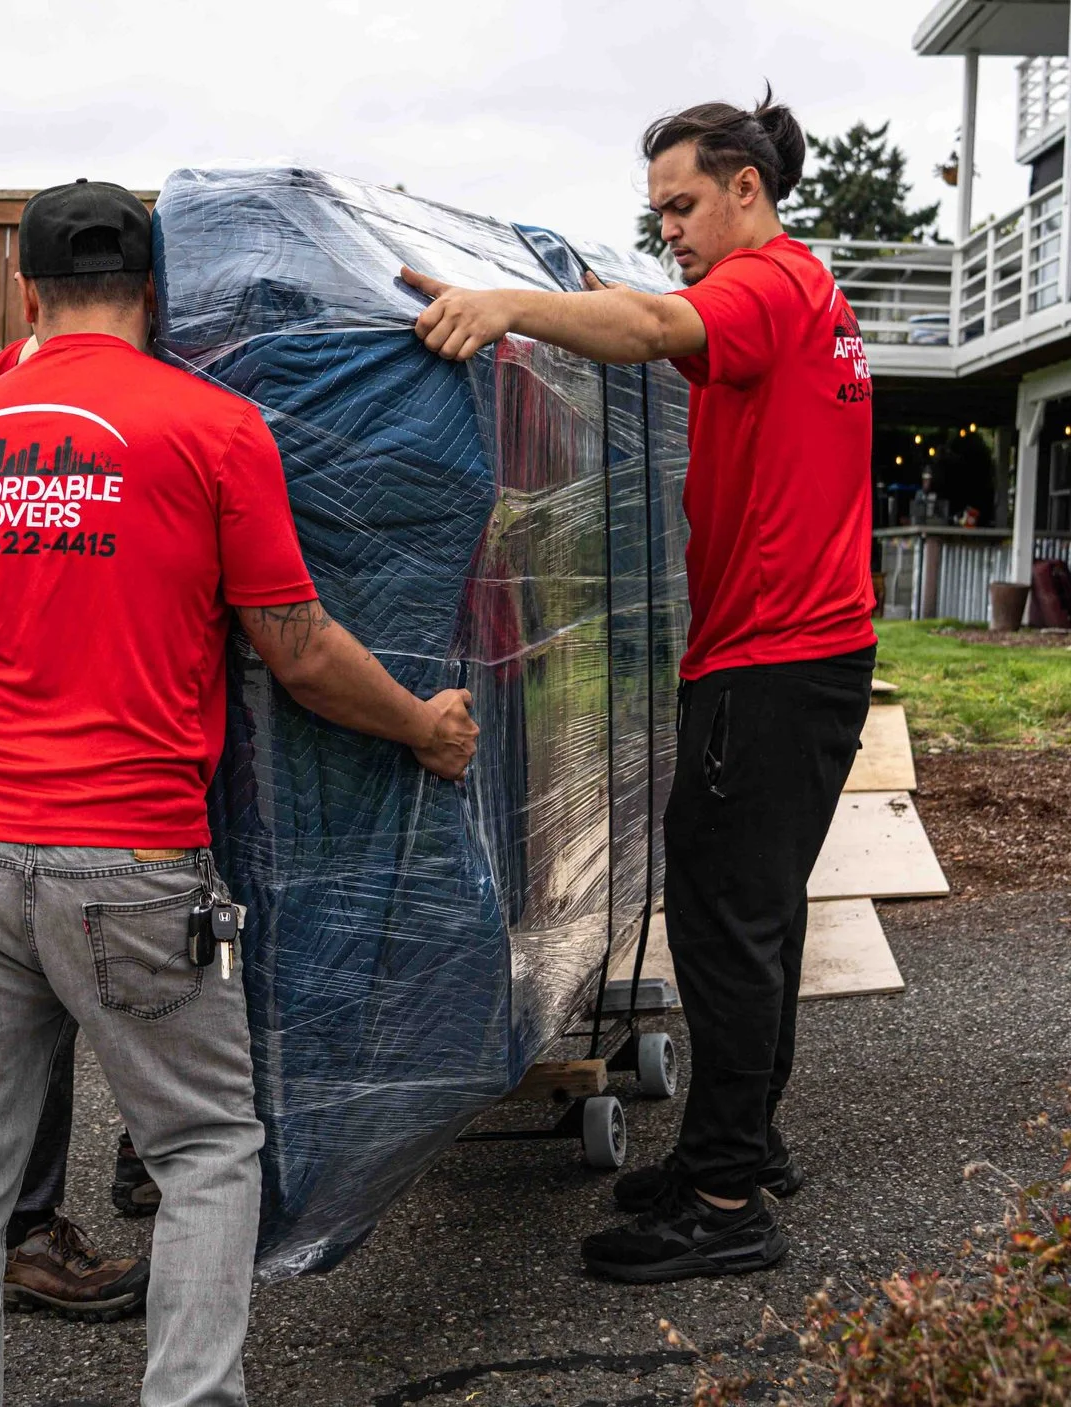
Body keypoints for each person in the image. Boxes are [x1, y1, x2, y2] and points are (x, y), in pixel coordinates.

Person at [0, 178, 480, 1406]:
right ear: (156, 288)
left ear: (24, 289)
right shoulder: (211, 425)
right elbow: (298, 644)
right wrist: (424, 725)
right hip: (129, 857)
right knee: (207, 1149)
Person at [400, 91, 875, 1284]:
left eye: (682, 203)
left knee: (724, 926)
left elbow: (655, 322)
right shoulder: (804, 291)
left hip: (770, 662)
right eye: (655, 207)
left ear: (745, 191)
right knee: (749, 917)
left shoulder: (762, 287)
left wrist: (510, 306)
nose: (667, 225)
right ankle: (740, 1148)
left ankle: (723, 1204)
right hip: (799, 654)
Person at [0, 331, 161, 1325]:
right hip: (3, 727)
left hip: (17, 714)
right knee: (28, 978)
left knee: (125, 951)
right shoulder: (22, 391)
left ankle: (139, 1155)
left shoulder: (16, 384)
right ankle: (20, 1234)